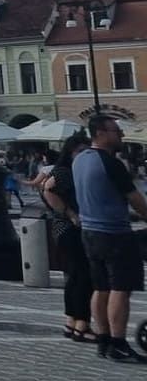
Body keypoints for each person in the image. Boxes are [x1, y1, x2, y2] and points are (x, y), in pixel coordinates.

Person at [71, 113, 147, 362]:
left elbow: (98, 196)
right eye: (116, 131)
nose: (121, 135)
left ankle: (103, 341)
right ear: (101, 133)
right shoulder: (111, 163)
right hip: (114, 234)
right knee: (120, 289)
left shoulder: (80, 160)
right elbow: (135, 198)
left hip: (90, 233)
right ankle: (118, 342)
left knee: (101, 287)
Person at [39, 136, 94, 344]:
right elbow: (48, 188)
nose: (84, 155)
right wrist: (69, 213)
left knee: (74, 276)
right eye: (80, 150)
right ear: (70, 152)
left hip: (64, 230)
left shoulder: (71, 170)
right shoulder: (66, 171)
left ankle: (72, 322)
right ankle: (82, 325)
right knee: (84, 276)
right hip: (71, 229)